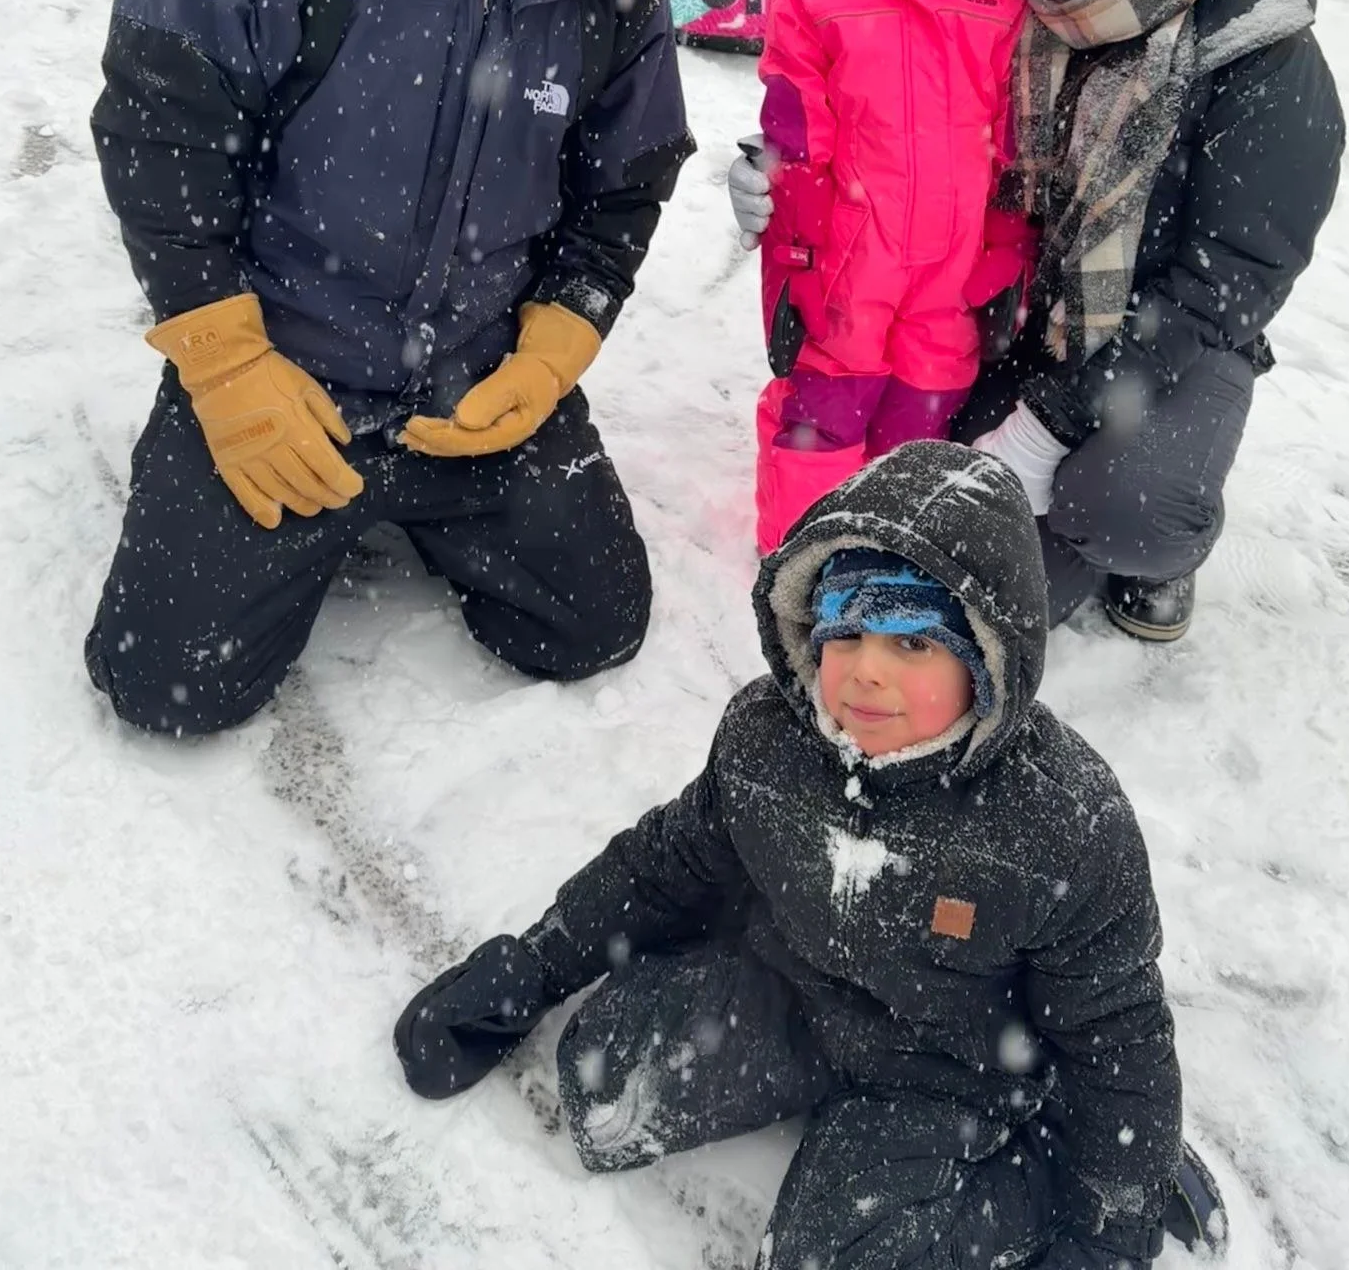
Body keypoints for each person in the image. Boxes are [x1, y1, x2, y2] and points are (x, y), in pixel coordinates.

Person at [85, 0, 694, 735]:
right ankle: (219, 447)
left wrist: (556, 344)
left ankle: (419, 491)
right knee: (164, 686)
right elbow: (163, 124)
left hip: (474, 382)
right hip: (283, 366)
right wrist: (222, 360)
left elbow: (626, 183)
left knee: (593, 624)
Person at [392, 440, 1225, 1270]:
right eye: (847, 632)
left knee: (834, 1259)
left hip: (946, 1067)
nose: (865, 673)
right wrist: (534, 966)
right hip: (793, 995)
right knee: (602, 1082)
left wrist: (1112, 1221)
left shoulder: (1061, 825)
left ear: (989, 656)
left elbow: (1118, 1033)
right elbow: (665, 865)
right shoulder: (768, 740)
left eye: (911, 643)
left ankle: (1042, 1168)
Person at [732, 0, 1344, 642]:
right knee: (978, 576)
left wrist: (1048, 425)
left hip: (1175, 334)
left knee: (1119, 510)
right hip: (1020, 316)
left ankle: (1160, 551)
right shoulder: (1022, 3)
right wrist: (787, 180)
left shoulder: (1250, 45)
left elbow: (1232, 281)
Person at [748, 0, 1035, 550]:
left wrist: (1003, 252)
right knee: (825, 404)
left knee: (924, 404)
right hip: (848, 258)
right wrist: (795, 257)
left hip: (951, 270)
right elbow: (797, 131)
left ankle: (894, 542)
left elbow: (1014, 141)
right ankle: (800, 550)